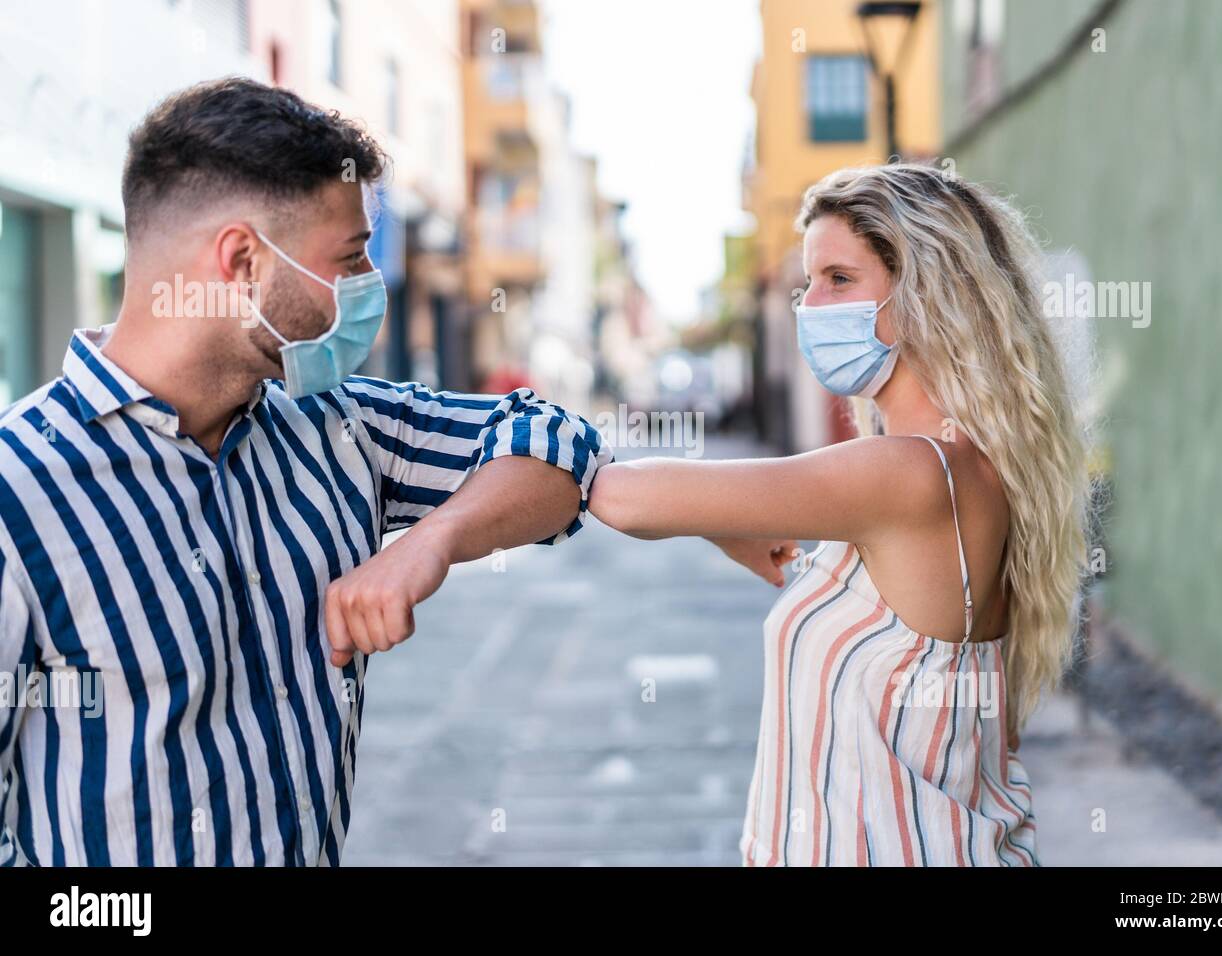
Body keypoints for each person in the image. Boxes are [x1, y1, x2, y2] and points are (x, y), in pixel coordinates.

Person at [0, 77, 622, 866]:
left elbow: (557, 444)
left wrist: (431, 540)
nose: (371, 291)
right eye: (352, 259)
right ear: (242, 260)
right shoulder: (18, 495)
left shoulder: (341, 428)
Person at [588, 163, 1093, 866]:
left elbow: (626, 497)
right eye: (807, 284)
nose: (812, 305)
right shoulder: (956, 468)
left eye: (839, 279)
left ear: (926, 292)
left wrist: (528, 438)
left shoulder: (912, 474)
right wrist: (718, 520)